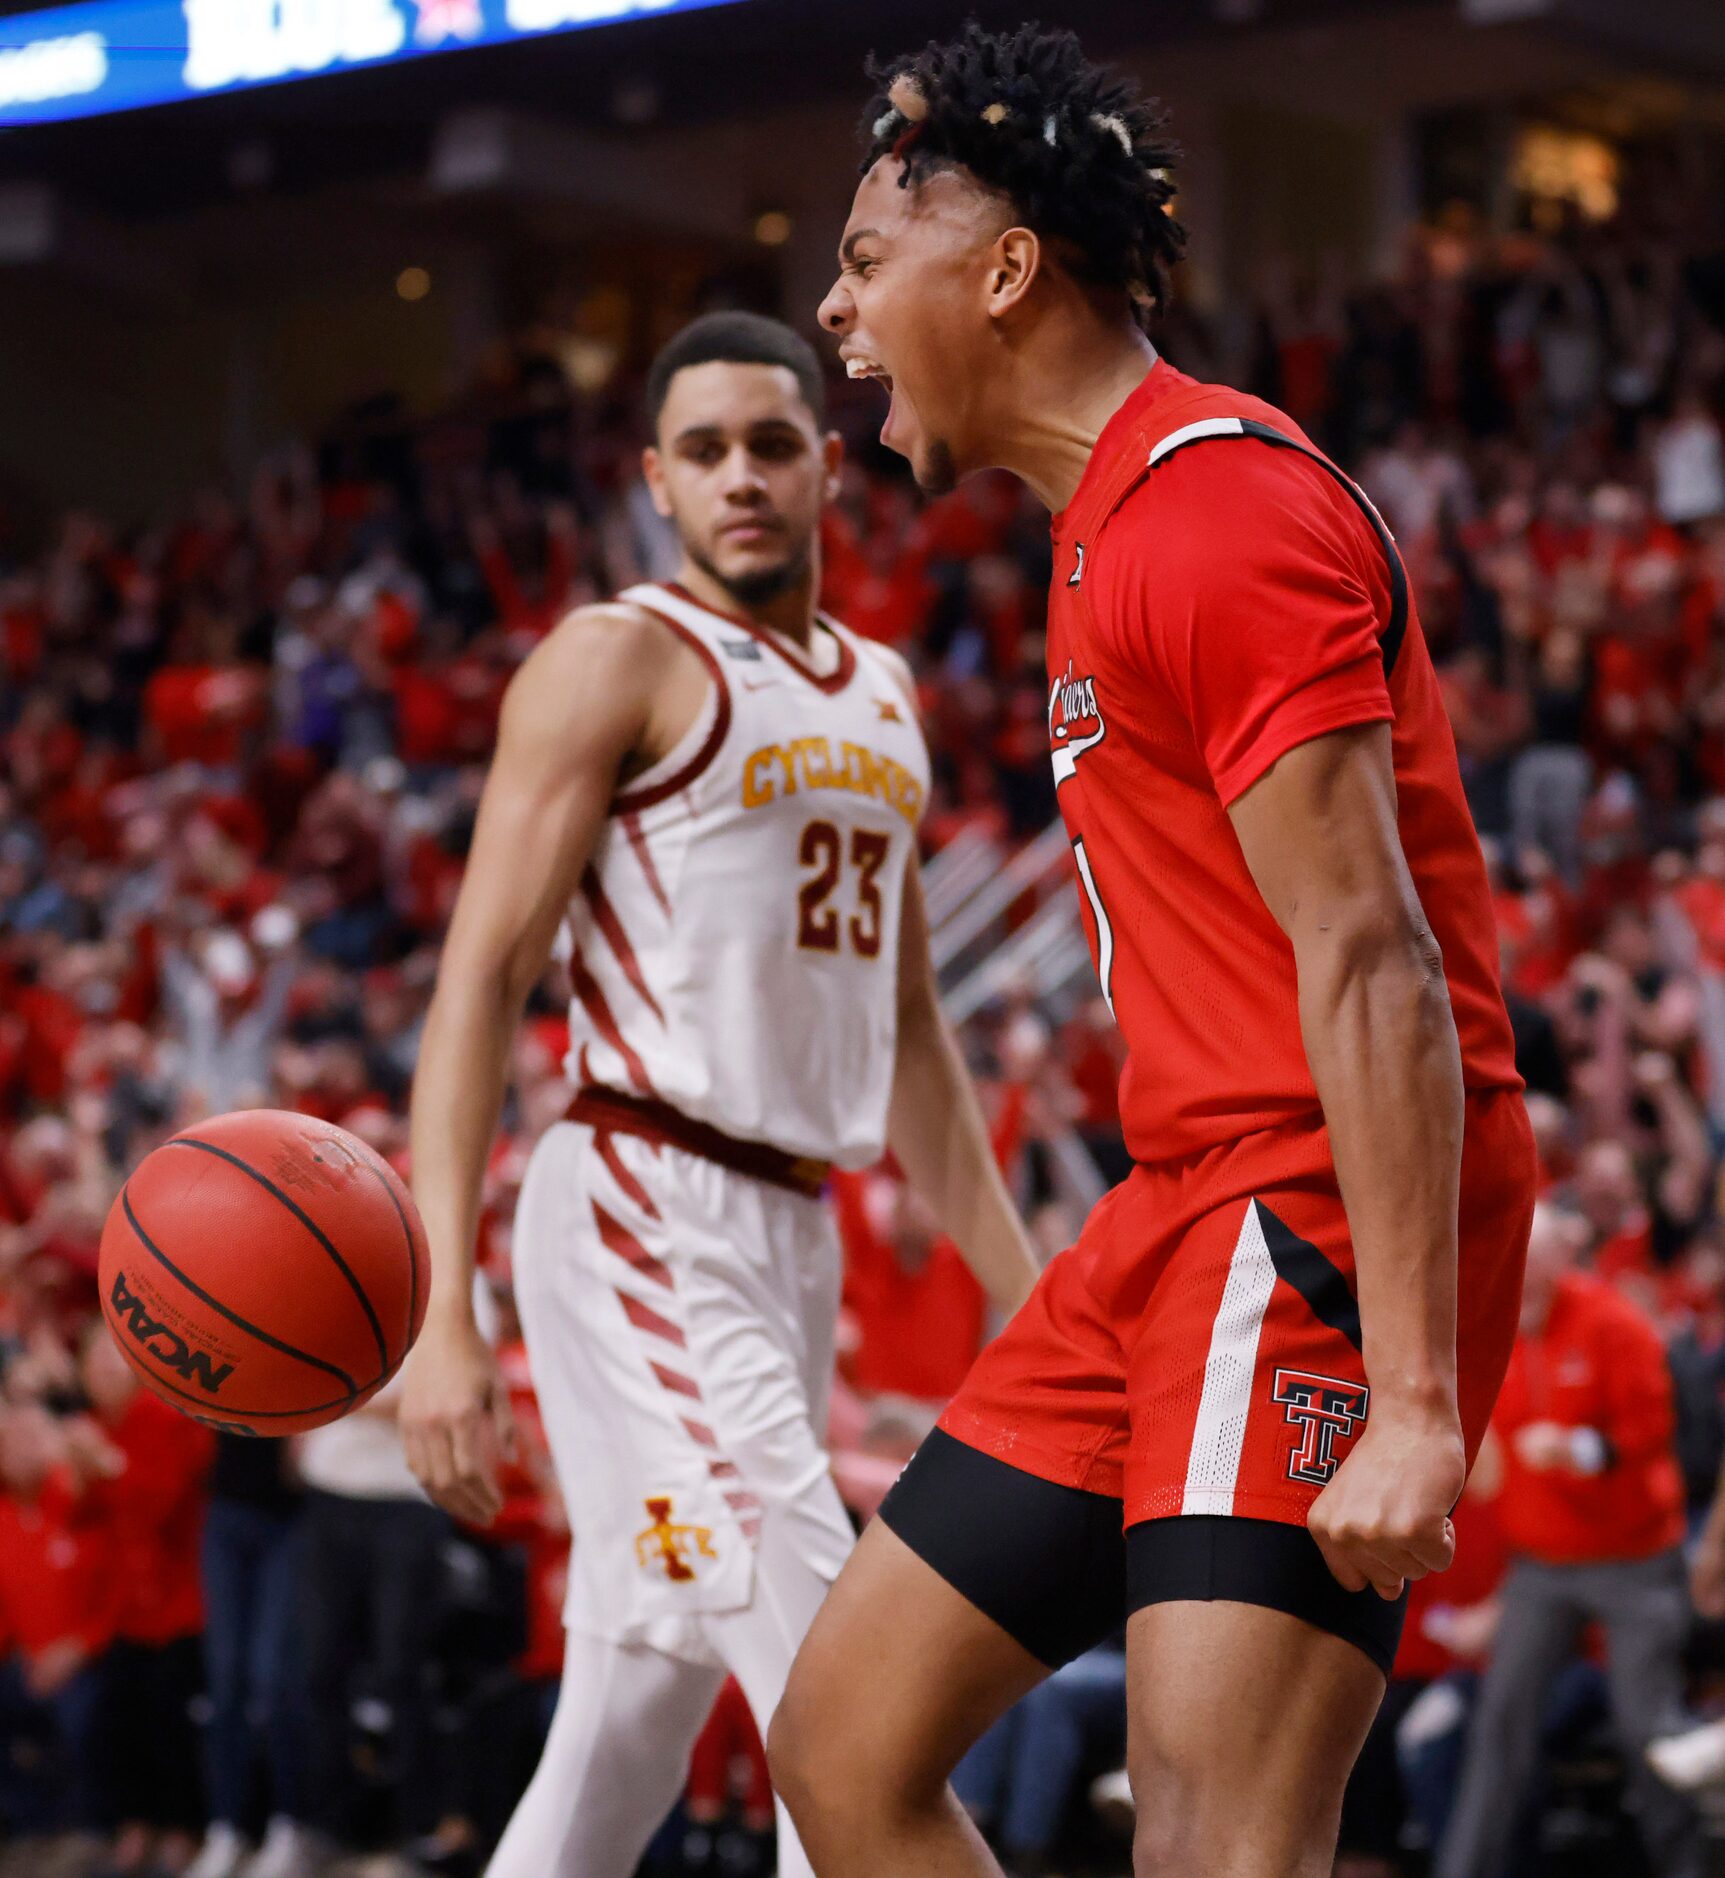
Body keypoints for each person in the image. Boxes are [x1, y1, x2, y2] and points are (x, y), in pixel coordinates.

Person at [774, 25, 1536, 1878]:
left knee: (1213, 1837)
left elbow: (1374, 961)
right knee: (842, 1746)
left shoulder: (1216, 511)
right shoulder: (1109, 528)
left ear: (1008, 268)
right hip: (1177, 1203)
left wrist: (1416, 1397)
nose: (835, 306)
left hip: (1310, 1206)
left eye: (870, 257)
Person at [399, 310, 1038, 1877]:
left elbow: (908, 1037)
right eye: (704, 452)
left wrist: (1026, 1284)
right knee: (847, 1693)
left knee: (635, 1702)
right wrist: (441, 1314)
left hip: (788, 1230)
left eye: (768, 444)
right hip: (640, 1201)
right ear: (655, 484)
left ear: (826, 464)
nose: (739, 476)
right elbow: (479, 980)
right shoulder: (614, 655)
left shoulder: (883, 690)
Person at [1437, 1202, 1699, 1878]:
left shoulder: (1614, 1325)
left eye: (1532, 1256)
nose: (1517, 1273)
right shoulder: (1487, 1328)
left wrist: (1579, 1449)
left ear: (1562, 1258)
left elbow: (1651, 1434)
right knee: (1499, 1725)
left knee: (1650, 1733)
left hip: (1633, 1560)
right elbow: (1490, 1460)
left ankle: (1689, 1867)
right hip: (1542, 1566)